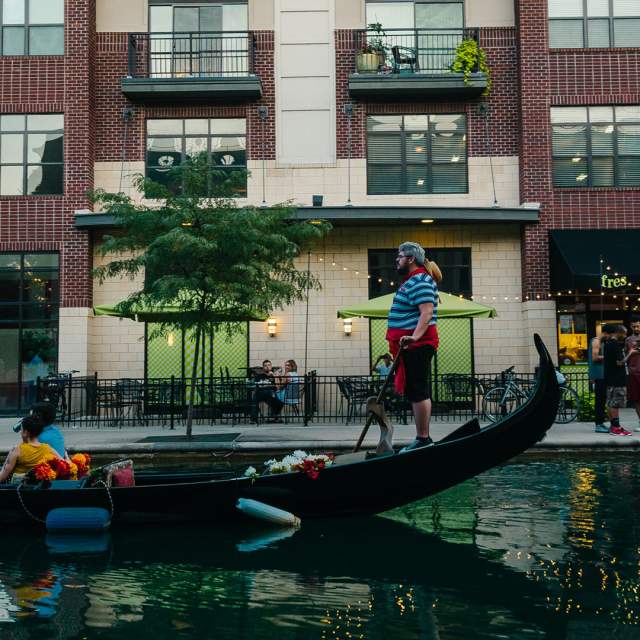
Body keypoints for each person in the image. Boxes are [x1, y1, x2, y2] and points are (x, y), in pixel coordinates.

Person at [386, 242, 442, 452]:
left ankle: (423, 439)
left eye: (399, 257)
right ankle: (422, 438)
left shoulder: (419, 279)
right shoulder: (413, 280)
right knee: (415, 389)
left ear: (410, 259)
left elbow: (426, 312)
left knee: (418, 389)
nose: (397, 261)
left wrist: (414, 337)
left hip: (418, 345)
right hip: (411, 346)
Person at [0, 415, 63, 483]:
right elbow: (65, 464)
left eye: (21, 429)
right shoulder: (47, 448)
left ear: (25, 432)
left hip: (18, 489)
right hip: (37, 488)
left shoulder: (17, 450)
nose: (20, 432)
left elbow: (2, 477)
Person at [603, 324, 633, 436]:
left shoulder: (608, 344)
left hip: (610, 378)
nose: (625, 336)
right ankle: (616, 428)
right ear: (619, 332)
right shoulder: (615, 345)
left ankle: (613, 426)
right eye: (624, 333)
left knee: (610, 403)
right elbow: (619, 362)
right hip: (617, 379)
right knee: (615, 404)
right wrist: (631, 353)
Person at [589, 326, 611, 433]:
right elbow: (595, 357)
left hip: (600, 374)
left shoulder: (600, 342)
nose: (609, 338)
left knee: (602, 401)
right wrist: (610, 356)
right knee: (600, 401)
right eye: (609, 336)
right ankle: (599, 425)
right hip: (599, 375)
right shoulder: (596, 341)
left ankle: (600, 423)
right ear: (606, 333)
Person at [268, 359, 301, 423]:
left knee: (271, 395)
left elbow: (279, 387)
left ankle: (274, 416)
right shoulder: (295, 374)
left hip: (286, 397)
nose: (286, 367)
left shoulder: (288, 374)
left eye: (288, 365)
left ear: (292, 366)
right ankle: (276, 415)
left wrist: (276, 376)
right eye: (285, 365)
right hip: (294, 397)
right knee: (274, 396)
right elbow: (285, 382)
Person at [624, 320, 640, 432]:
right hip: (634, 372)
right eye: (634, 326)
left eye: (638, 326)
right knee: (637, 399)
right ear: (631, 327)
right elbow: (625, 355)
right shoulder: (628, 340)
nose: (636, 328)